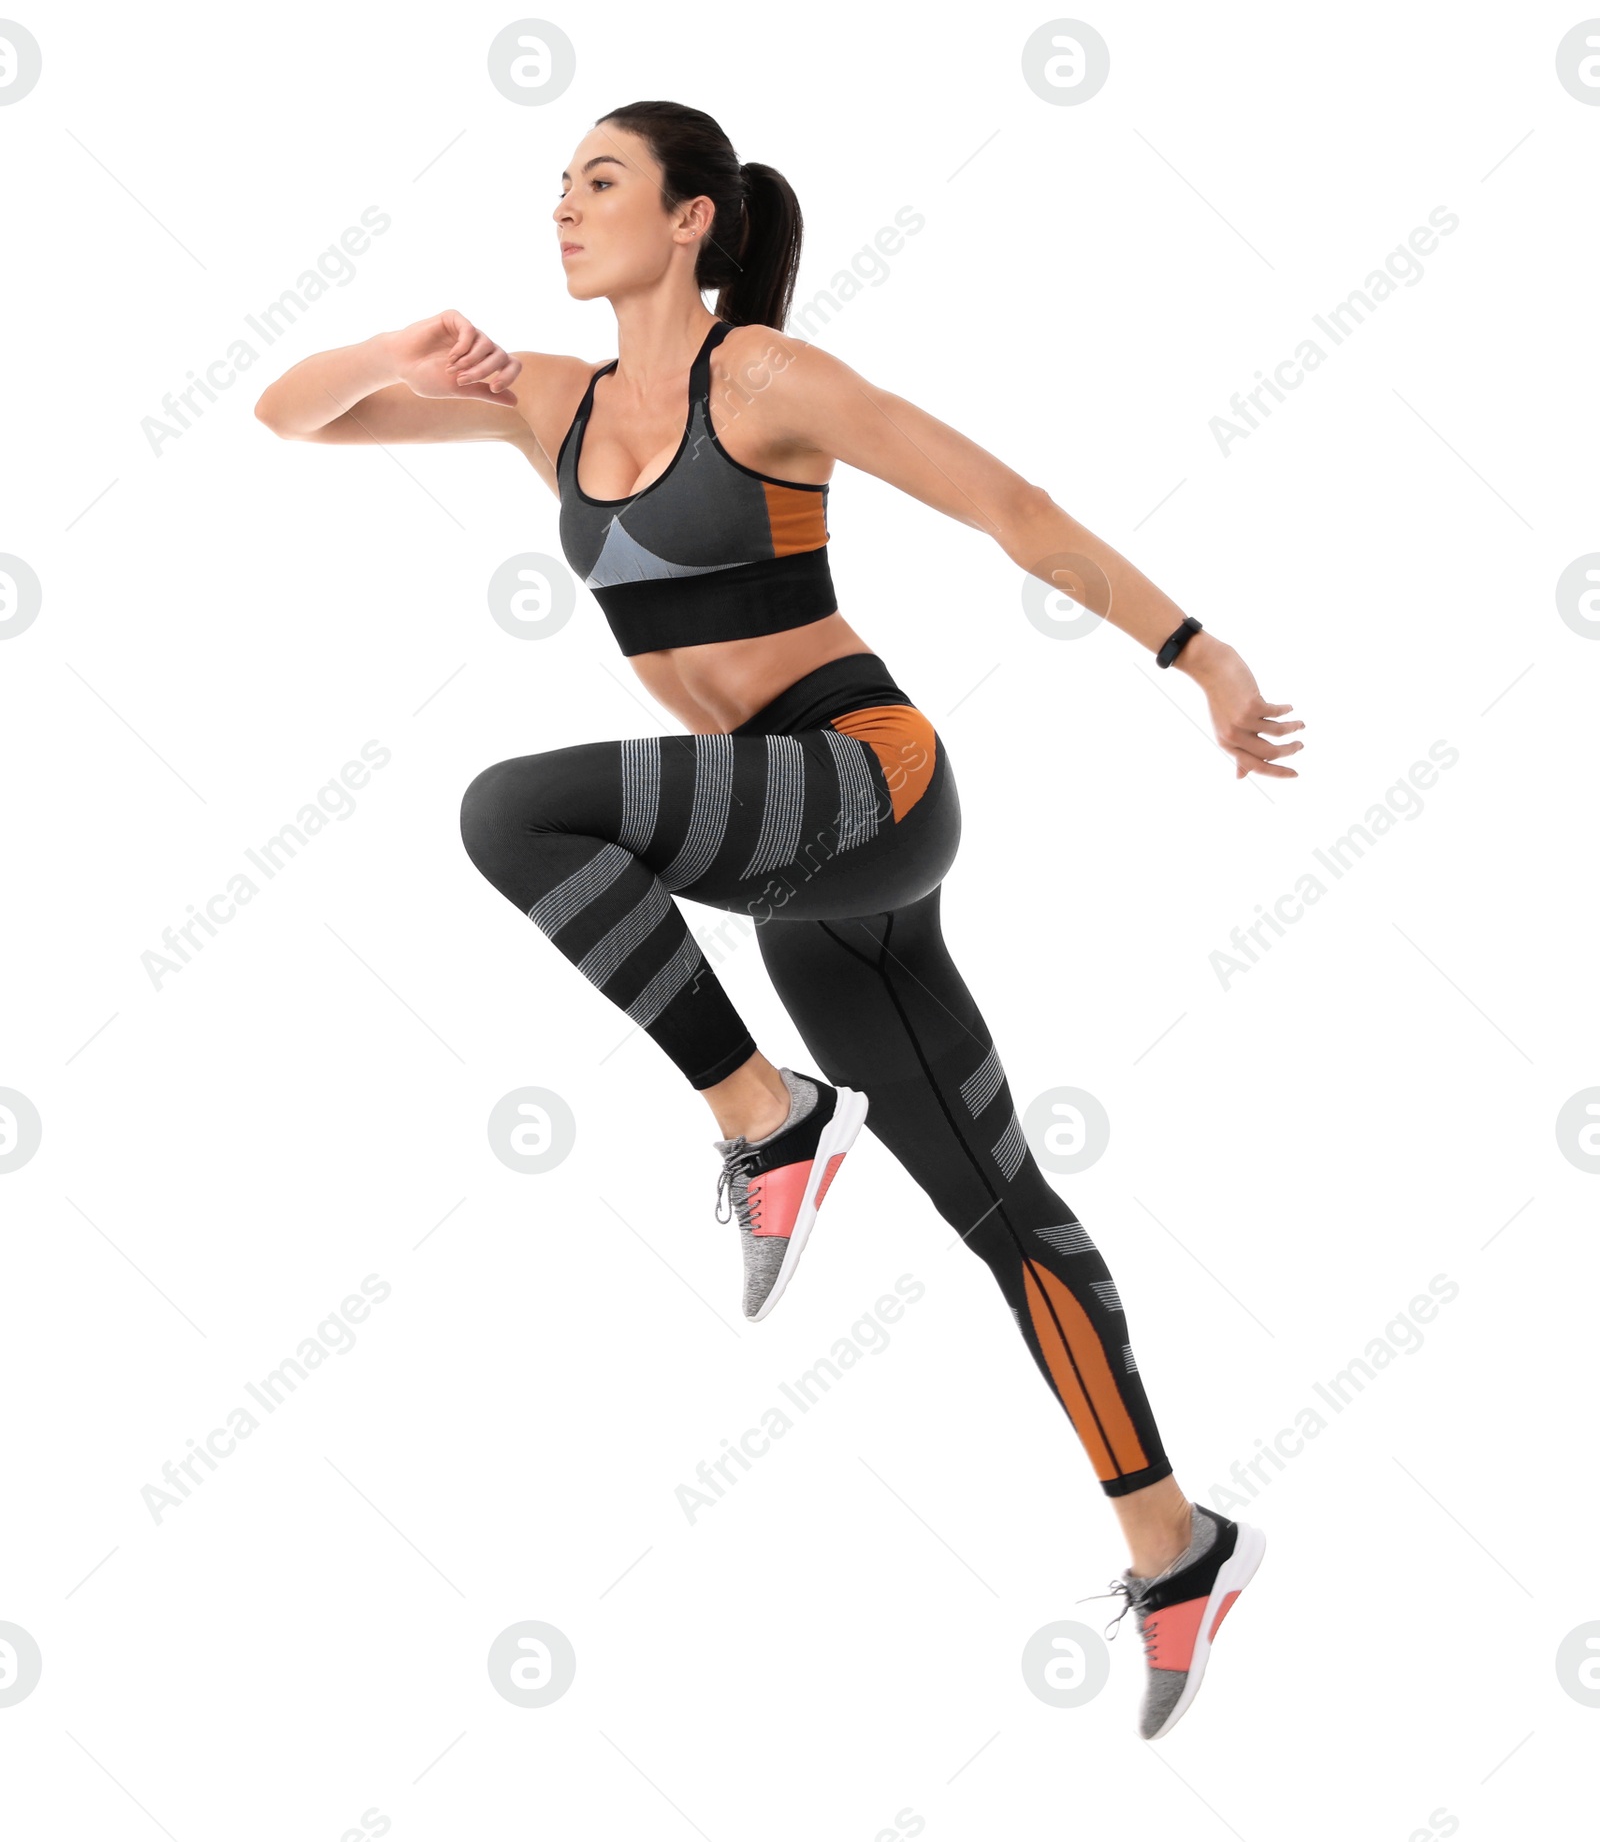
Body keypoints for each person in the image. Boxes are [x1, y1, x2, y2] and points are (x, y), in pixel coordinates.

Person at [253, 98, 1302, 1739]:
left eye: (601, 181)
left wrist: (1203, 659)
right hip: (794, 868)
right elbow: (292, 419)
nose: (565, 208)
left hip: (868, 785)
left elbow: (1011, 509)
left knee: (516, 809)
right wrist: (398, 339)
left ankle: (768, 1120)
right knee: (998, 1203)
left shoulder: (766, 383)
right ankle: (1177, 1545)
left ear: (693, 221)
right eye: (558, 186)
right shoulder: (543, 399)